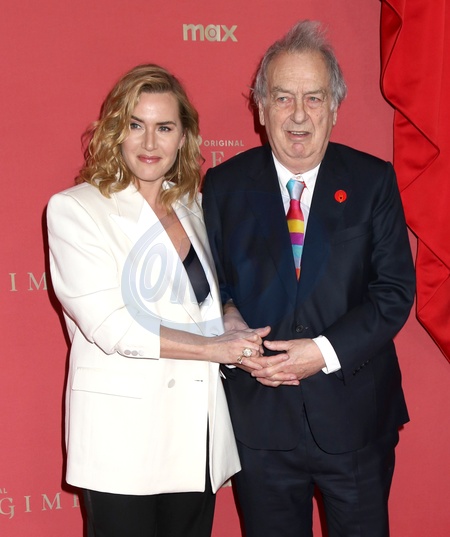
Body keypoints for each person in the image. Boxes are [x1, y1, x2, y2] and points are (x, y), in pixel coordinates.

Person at [202, 21, 415, 537]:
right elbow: (212, 283)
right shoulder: (224, 186)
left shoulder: (373, 182)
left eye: (314, 98)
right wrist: (229, 320)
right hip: (260, 425)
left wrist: (321, 352)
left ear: (334, 108)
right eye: (283, 97)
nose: (298, 115)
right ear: (261, 108)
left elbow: (393, 292)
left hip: (356, 420)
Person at [47, 64, 268, 537]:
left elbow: (207, 299)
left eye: (164, 127)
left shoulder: (193, 206)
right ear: (115, 131)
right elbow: (113, 325)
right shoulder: (76, 209)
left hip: (195, 436)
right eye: (136, 125)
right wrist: (214, 349)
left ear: (183, 136)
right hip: (123, 441)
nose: (150, 143)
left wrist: (229, 320)